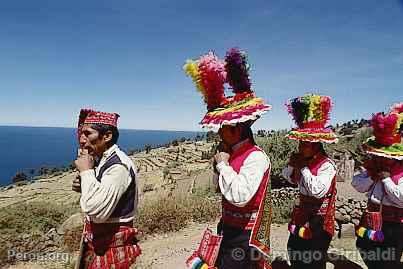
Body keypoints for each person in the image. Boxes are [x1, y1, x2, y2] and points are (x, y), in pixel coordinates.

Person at [184, 48, 272, 268]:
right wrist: (220, 166)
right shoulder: (231, 154)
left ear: (236, 130)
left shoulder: (256, 158)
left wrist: (223, 164)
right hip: (229, 229)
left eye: (222, 128)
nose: (219, 132)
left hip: (245, 237)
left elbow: (240, 195)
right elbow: (219, 189)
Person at [73, 109, 141, 269]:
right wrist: (84, 185)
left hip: (111, 247)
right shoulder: (103, 160)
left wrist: (86, 171)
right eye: (82, 134)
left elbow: (96, 211)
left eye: (87, 134)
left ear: (107, 136)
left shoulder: (118, 167)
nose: (82, 140)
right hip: (98, 243)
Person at [282, 94, 338, 269]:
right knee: (293, 250)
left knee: (313, 260)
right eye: (300, 143)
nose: (299, 147)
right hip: (301, 217)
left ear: (315, 145)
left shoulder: (327, 166)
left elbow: (317, 191)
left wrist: (304, 168)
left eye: (303, 144)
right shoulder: (302, 161)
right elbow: (287, 175)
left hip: (319, 223)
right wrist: (295, 166)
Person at [352, 103, 403, 269]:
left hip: (393, 225)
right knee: (364, 246)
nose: (381, 159)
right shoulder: (374, 168)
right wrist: (373, 177)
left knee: (387, 261)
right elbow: (357, 184)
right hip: (371, 219)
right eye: (379, 156)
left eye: (385, 157)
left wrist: (387, 180)